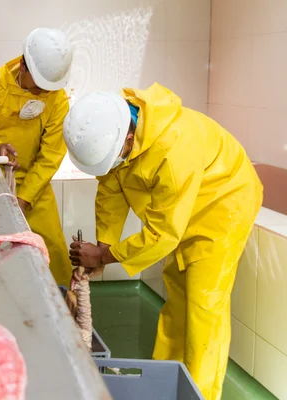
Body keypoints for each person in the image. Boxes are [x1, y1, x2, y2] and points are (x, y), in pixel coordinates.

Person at [63, 83, 263, 400]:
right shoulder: (120, 132)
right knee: (178, 292)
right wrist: (104, 244)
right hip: (185, 204)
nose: (114, 162)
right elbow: (111, 192)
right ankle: (168, 376)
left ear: (128, 137)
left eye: (116, 156)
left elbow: (163, 234)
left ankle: (201, 393)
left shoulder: (173, 148)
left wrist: (104, 257)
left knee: (203, 304)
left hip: (224, 203)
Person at [0, 28, 75, 286]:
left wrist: (23, 200)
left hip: (34, 186)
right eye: (38, 86)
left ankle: (60, 309)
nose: (41, 93)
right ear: (23, 65)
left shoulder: (58, 101)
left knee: (54, 252)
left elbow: (50, 156)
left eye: (47, 88)